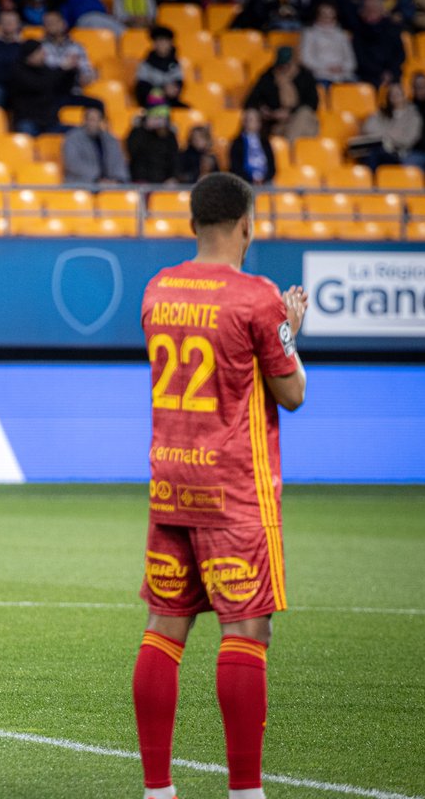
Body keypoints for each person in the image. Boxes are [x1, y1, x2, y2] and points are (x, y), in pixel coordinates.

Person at [134, 171, 308, 799]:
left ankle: (158, 790)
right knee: (246, 630)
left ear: (190, 224)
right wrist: (290, 330)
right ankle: (246, 792)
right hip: (232, 489)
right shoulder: (257, 297)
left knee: (164, 624)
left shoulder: (158, 290)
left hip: (170, 481)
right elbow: (290, 393)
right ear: (247, 225)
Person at [243, 46, 319, 141]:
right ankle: (291, 148)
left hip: (298, 116)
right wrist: (263, 109)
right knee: (303, 131)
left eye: (285, 65)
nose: (282, 68)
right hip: (276, 122)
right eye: (280, 65)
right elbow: (251, 100)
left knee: (304, 114)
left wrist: (290, 112)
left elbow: (312, 102)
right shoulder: (268, 76)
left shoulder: (305, 76)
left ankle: (288, 147)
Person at [7, 39, 77, 136]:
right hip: (28, 121)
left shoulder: (46, 70)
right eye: (39, 52)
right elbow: (39, 85)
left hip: (49, 122)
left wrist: (71, 71)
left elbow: (63, 89)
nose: (44, 54)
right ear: (29, 56)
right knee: (26, 133)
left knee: (77, 132)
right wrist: (62, 69)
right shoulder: (18, 72)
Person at [358, 83, 423, 170]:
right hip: (377, 148)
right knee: (372, 153)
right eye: (392, 94)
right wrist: (389, 135)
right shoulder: (381, 112)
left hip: (398, 153)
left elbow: (408, 140)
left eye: (397, 94)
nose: (394, 97)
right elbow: (368, 128)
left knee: (375, 154)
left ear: (404, 96)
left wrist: (384, 136)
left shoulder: (413, 116)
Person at [63, 106, 129, 183]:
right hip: (83, 182)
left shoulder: (111, 139)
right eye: (91, 120)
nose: (94, 123)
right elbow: (73, 164)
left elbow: (118, 162)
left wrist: (117, 180)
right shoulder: (72, 138)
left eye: (98, 120)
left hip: (111, 183)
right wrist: (97, 179)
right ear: (84, 121)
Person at [299, 3, 357, 85]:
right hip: (319, 74)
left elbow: (351, 60)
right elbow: (306, 59)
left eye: (331, 15)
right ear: (318, 15)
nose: (327, 18)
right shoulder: (309, 33)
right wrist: (327, 67)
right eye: (324, 15)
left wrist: (342, 68)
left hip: (343, 75)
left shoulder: (342, 35)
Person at [127, 101, 180, 184]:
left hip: (164, 182)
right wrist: (147, 129)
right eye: (155, 116)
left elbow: (174, 159)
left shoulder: (169, 136)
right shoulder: (137, 132)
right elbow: (133, 152)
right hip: (141, 180)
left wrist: (172, 177)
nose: (158, 121)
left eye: (161, 117)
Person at [134, 26, 184, 110]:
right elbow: (141, 87)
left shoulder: (175, 64)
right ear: (154, 44)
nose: (161, 45)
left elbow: (179, 82)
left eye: (165, 41)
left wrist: (175, 89)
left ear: (170, 43)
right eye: (158, 41)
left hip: (171, 102)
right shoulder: (146, 64)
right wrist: (162, 91)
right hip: (150, 103)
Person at [230, 107, 277, 185]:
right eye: (251, 120)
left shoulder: (265, 142)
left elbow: (272, 166)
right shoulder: (237, 143)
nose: (254, 123)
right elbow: (236, 167)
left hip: (266, 182)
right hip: (245, 182)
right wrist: (251, 179)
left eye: (256, 120)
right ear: (244, 122)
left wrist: (264, 178)